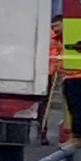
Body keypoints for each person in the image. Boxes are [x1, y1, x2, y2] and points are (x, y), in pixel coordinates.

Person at [53, 14, 81, 148]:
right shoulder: (59, 38)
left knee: (77, 109)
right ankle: (77, 136)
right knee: (73, 109)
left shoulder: (72, 37)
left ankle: (78, 137)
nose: (55, 29)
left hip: (77, 76)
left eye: (57, 26)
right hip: (68, 75)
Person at [36, 15, 63, 145]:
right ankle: (41, 131)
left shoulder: (61, 37)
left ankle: (42, 131)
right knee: (43, 104)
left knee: (46, 105)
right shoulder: (50, 36)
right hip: (46, 72)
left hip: (54, 72)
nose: (56, 28)